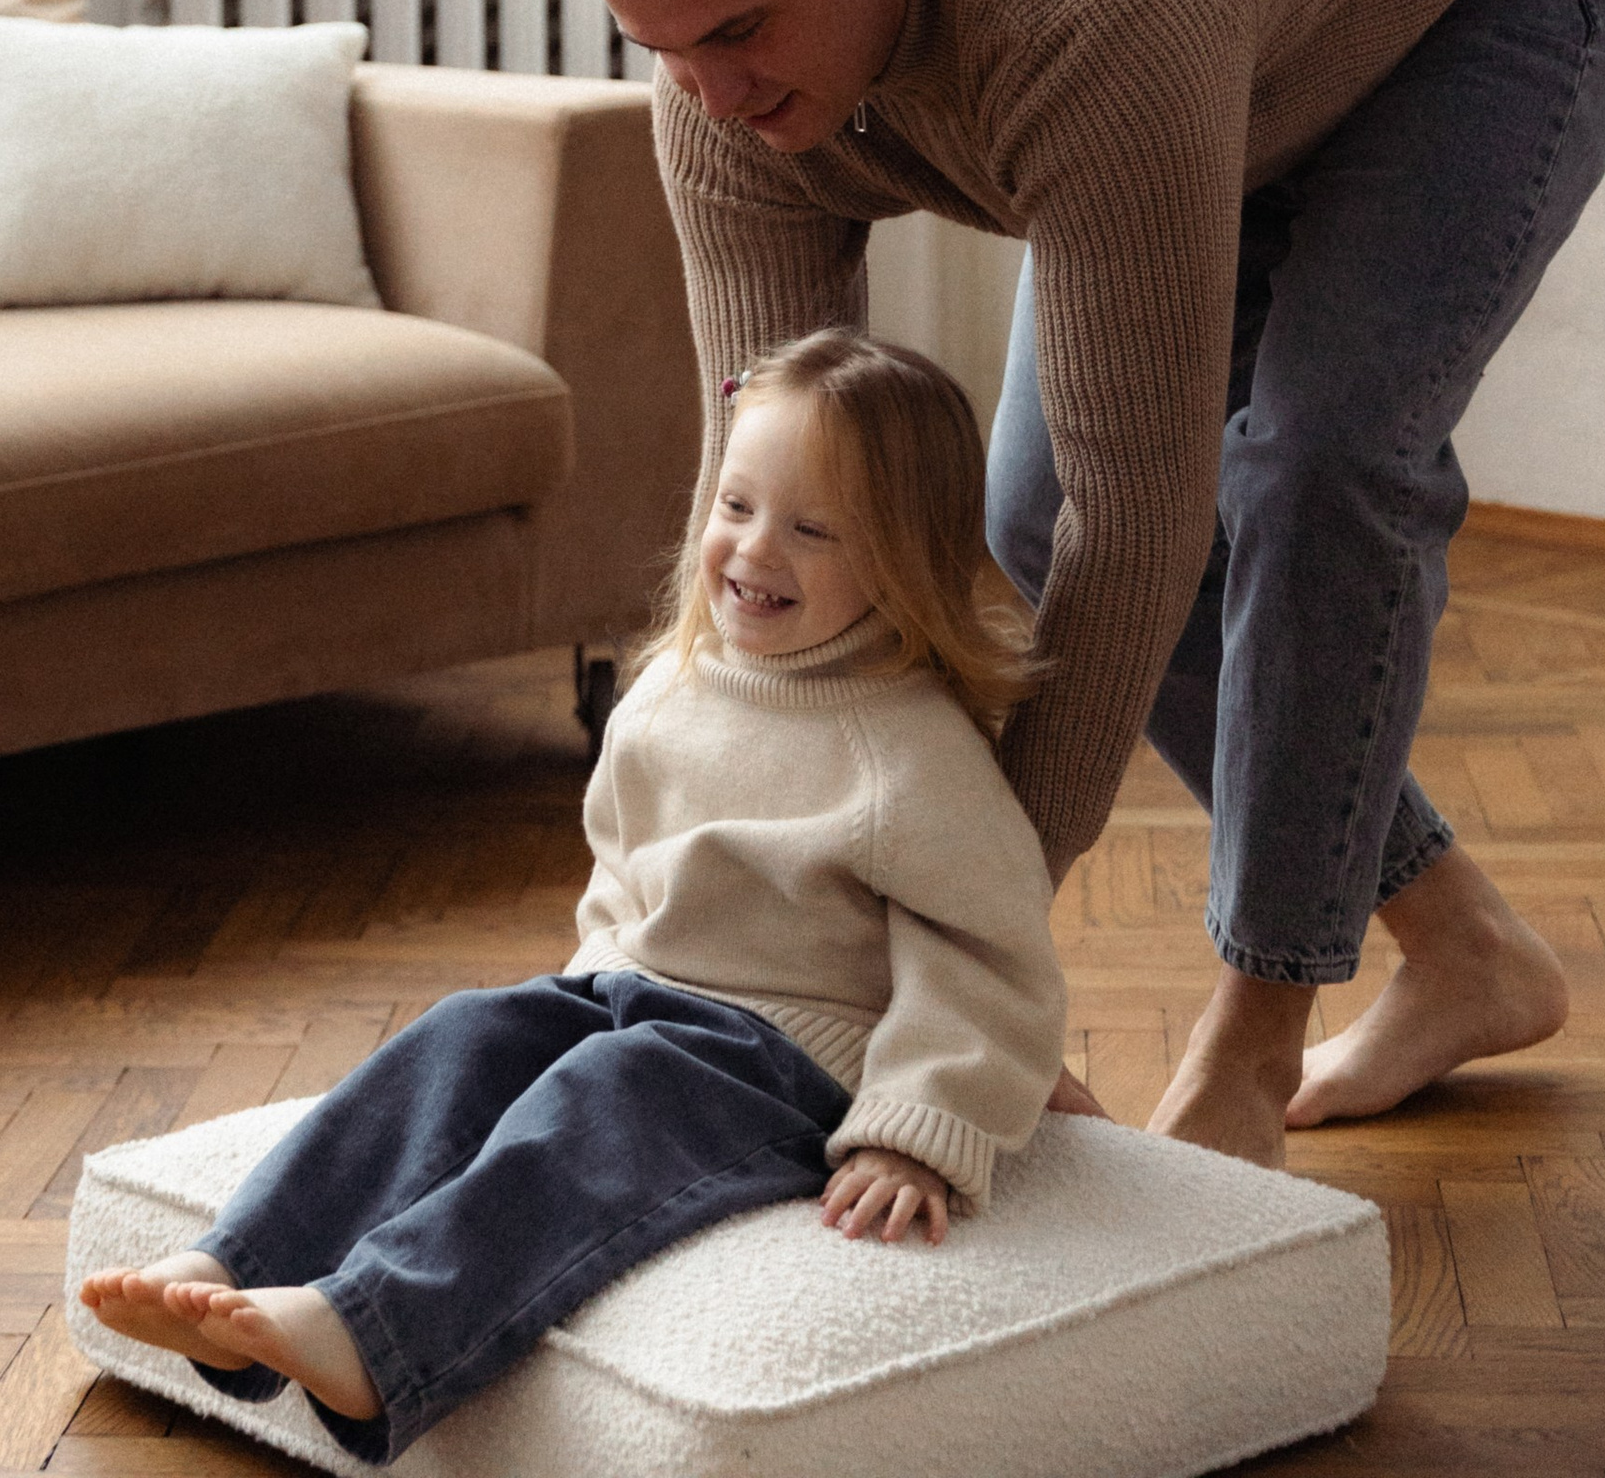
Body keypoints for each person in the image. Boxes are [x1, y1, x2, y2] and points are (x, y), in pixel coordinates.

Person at [566, 0, 1605, 1170]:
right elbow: (770, 496)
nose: (711, 95)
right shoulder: (719, 92)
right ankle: (1467, 951)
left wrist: (966, 955)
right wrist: (803, 948)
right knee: (1013, 520)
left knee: (1314, 464)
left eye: (736, 33)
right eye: (664, 52)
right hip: (1238, 17)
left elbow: (1136, 516)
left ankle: (1256, 1038)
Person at [80, 330, 1065, 1462]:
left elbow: (989, 957)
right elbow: (619, 869)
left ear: (899, 560)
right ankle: (237, 1268)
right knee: (466, 1034)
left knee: (607, 1100)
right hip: (632, 995)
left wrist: (917, 1130)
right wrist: (572, 1001)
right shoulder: (668, 697)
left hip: (779, 1066)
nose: (754, 549)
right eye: (736, 506)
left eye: (812, 529)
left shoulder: (907, 757)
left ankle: (379, 1331)